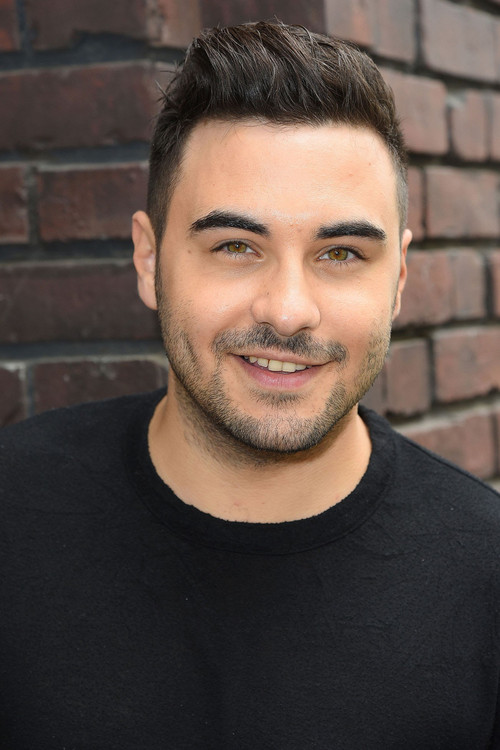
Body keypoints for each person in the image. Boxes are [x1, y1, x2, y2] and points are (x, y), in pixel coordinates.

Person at [0, 20, 499, 749]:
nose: (288, 311)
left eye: (340, 253)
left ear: (398, 280)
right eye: (236, 246)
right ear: (149, 261)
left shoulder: (485, 575)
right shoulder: (13, 511)